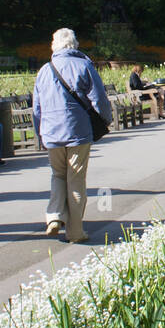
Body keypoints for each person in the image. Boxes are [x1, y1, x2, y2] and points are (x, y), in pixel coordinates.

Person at [32, 28, 113, 242]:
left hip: (51, 133)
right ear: (74, 45)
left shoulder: (44, 70)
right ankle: (75, 232)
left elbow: (37, 108)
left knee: (58, 175)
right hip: (77, 131)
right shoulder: (84, 65)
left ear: (54, 46)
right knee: (76, 180)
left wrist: (40, 134)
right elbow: (99, 98)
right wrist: (106, 119)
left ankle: (54, 216)